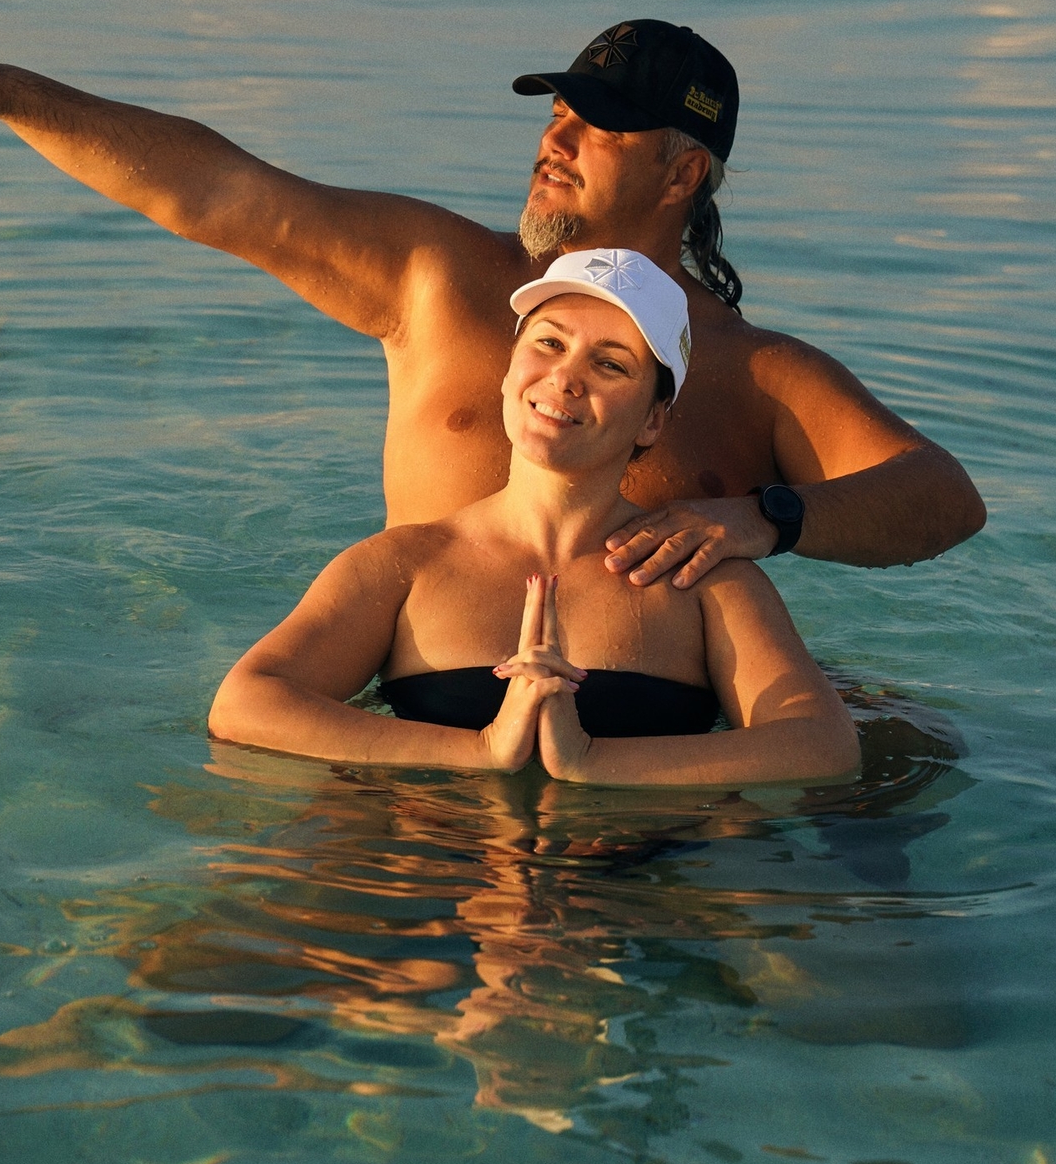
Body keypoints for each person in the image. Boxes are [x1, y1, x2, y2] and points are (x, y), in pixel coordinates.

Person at [0, 7, 984, 583]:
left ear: (683, 175)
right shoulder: (441, 279)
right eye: (555, 112)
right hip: (431, 718)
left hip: (658, 748)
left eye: (597, 126)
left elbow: (940, 497)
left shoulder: (750, 371)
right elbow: (218, 191)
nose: (555, 137)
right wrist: (11, 92)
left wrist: (764, 519)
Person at [209, 250, 860, 787]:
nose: (566, 378)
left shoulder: (700, 578)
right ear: (508, 371)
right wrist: (483, 750)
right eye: (548, 343)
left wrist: (591, 761)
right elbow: (246, 704)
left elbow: (825, 746)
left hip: (644, 879)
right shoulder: (405, 565)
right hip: (423, 873)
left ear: (652, 420)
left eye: (610, 364)